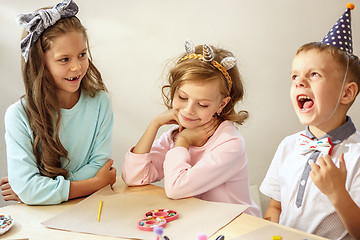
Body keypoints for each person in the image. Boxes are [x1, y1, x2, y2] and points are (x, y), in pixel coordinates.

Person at [122, 39, 261, 217]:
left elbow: (176, 188)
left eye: (202, 104)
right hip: (199, 223)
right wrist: (154, 124)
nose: (188, 110)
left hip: (238, 228)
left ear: (222, 104)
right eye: (182, 97)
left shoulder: (230, 143)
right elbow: (134, 177)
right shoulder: (178, 133)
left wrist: (184, 141)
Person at [0, 0, 116, 205]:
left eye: (82, 55)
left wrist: (41, 189)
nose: (77, 67)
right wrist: (93, 184)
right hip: (40, 220)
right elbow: (28, 189)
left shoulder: (100, 102)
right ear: (40, 63)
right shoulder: (18, 115)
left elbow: (100, 166)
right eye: (64, 59)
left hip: (87, 208)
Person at [260, 4, 360, 239]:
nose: (299, 82)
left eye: (314, 74)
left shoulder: (357, 156)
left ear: (347, 93)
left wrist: (337, 194)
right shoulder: (288, 146)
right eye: (294, 76)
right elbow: (275, 207)